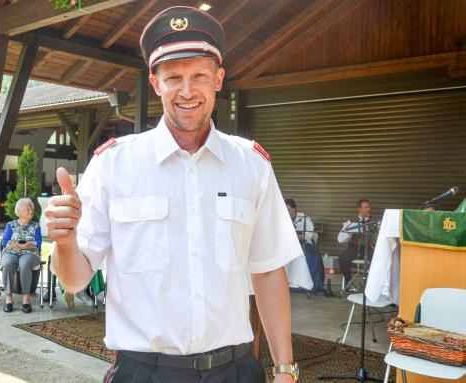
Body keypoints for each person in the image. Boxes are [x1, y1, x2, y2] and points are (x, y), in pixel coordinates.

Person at [45, 6, 308, 382]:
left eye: (199, 75)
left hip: (235, 372)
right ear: (156, 83)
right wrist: (65, 241)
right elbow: (74, 280)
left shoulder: (251, 166)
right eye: (174, 78)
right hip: (145, 373)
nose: (187, 91)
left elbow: (267, 271)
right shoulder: (113, 165)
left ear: (218, 79)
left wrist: (285, 370)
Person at [0, 198, 42, 313]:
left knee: (24, 264)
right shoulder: (10, 225)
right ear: (19, 212)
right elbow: (4, 243)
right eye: (27, 209)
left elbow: (37, 244)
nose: (31, 211)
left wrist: (22, 246)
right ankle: (8, 298)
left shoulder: (36, 226)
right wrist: (20, 245)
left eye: (31, 209)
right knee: (7, 263)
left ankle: (26, 299)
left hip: (30, 253)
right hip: (11, 252)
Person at [285, 198, 324, 292]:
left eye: (289, 209)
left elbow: (310, 235)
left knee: (308, 256)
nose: (288, 212)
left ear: (295, 208)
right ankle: (288, 283)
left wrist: (303, 237)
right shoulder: (283, 219)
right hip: (290, 246)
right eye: (286, 210)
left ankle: (307, 285)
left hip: (305, 244)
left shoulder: (305, 218)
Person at [337, 198, 376, 286]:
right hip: (353, 248)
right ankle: (348, 281)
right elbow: (340, 239)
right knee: (343, 258)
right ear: (359, 209)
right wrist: (349, 232)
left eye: (369, 207)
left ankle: (370, 285)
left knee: (377, 260)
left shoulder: (373, 222)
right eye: (366, 207)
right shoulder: (351, 222)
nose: (369, 209)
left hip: (368, 247)